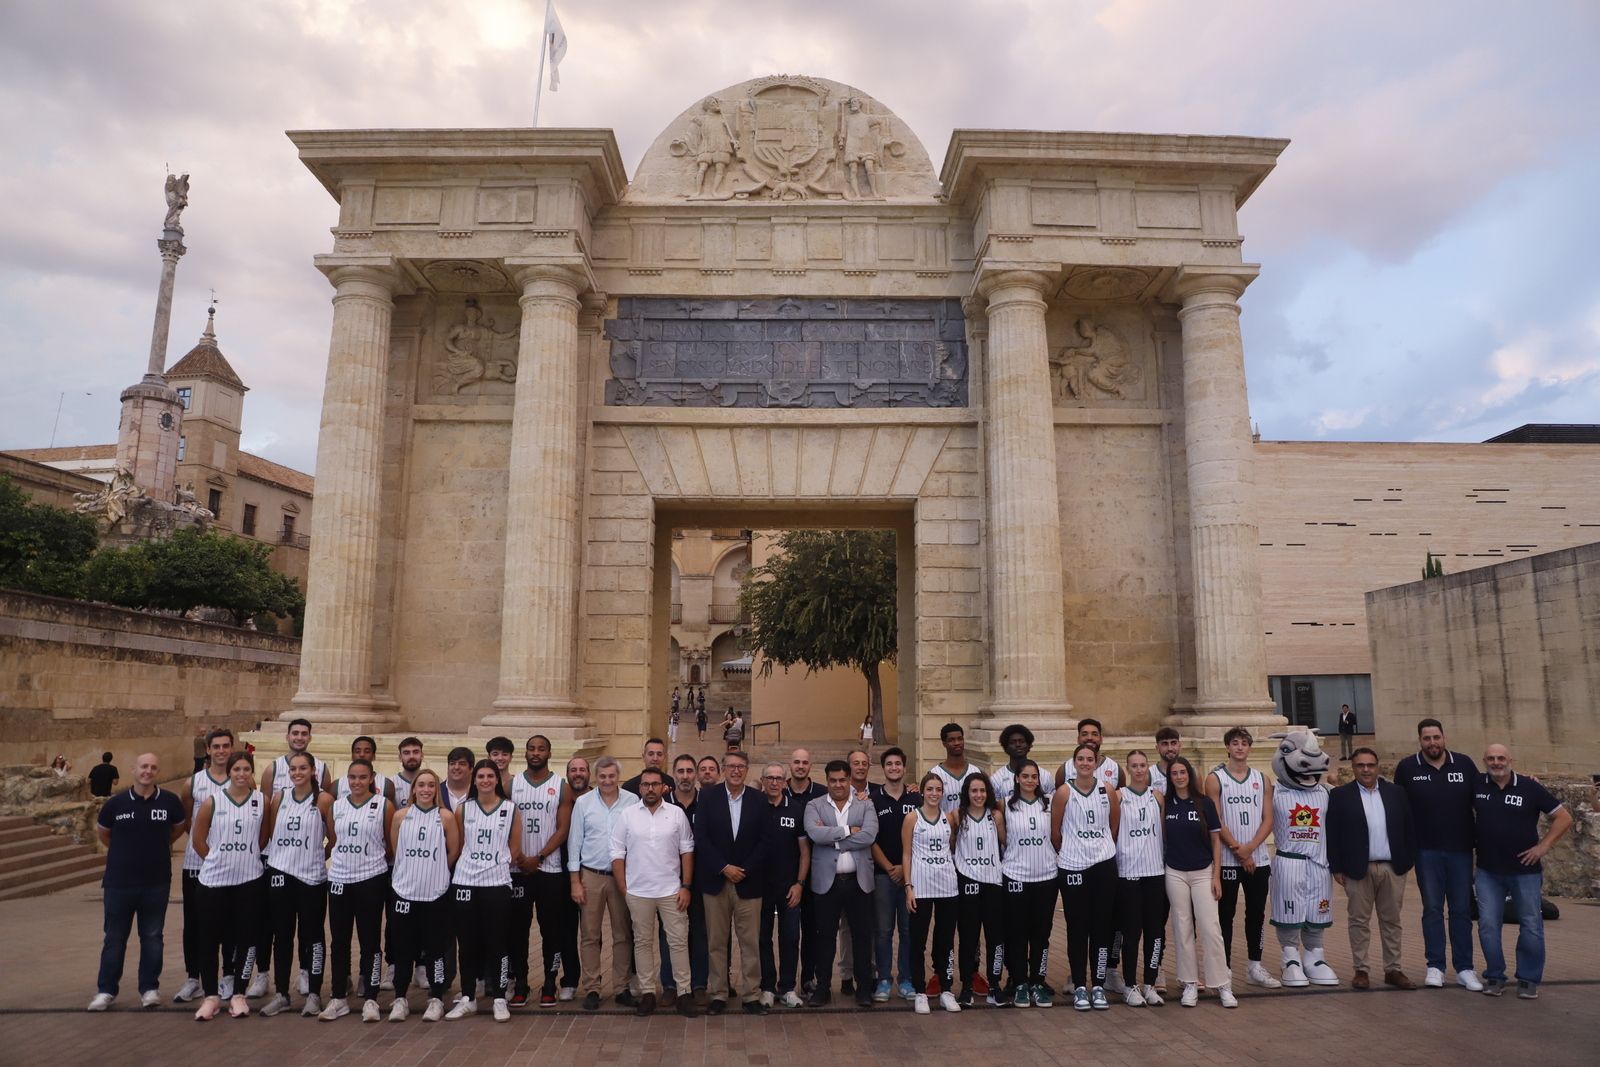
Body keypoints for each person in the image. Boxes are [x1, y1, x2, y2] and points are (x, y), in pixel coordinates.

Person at [1471, 744, 1573, 999]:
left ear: (1510, 760)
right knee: (1488, 926)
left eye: (1501, 758)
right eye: (1491, 758)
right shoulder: (1476, 786)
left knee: (1531, 925)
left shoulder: (1530, 787)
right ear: (1484, 761)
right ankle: (1495, 976)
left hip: (1525, 871)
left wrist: (1543, 847)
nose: (1496, 762)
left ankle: (1528, 978)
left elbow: (1564, 818)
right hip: (1488, 871)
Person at [87, 752, 186, 1012]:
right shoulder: (116, 804)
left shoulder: (169, 802)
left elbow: (176, 830)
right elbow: (105, 834)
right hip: (119, 883)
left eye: (153, 767)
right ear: (134, 769)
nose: (148, 771)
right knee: (114, 938)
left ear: (157, 771)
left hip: (156, 882)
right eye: (144, 766)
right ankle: (106, 990)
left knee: (152, 937)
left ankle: (149, 988)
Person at [1394, 718, 1482, 990]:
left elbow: (1484, 796)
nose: (1432, 743)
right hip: (1426, 852)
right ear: (1419, 741)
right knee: (1432, 909)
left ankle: (1465, 968)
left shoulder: (1465, 764)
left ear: (1444, 738)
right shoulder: (1408, 768)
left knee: (1461, 910)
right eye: (1427, 738)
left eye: (1436, 737)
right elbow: (1399, 811)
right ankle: (1435, 966)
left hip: (1460, 851)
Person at [1328, 747, 1418, 990]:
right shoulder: (1340, 796)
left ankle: (1394, 969)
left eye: (1370, 765)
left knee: (1392, 921)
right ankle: (1361, 970)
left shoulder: (1396, 793)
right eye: (1360, 765)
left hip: (1392, 867)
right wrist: (1336, 866)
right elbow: (1333, 833)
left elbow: (1410, 828)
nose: (1366, 770)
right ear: (1353, 768)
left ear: (1377, 767)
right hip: (1358, 868)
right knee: (1358, 921)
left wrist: (1407, 861)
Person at [188, 751, 267, 1021]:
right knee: (209, 939)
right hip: (214, 881)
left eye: (246, 769)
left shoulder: (261, 801)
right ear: (229, 772)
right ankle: (211, 995)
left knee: (246, 939)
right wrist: (216, 859)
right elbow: (198, 839)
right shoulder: (213, 802)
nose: (242, 774)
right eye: (237, 770)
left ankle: (238, 994)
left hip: (249, 879)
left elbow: (263, 837)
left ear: (252, 772)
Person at [613, 767, 697, 1017]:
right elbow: (617, 852)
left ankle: (684, 993)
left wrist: (686, 886)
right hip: (638, 891)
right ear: (640, 788)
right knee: (642, 942)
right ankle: (648, 993)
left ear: (663, 787)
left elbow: (687, 850)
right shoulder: (627, 815)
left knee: (679, 942)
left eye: (655, 784)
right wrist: (624, 888)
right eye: (646, 784)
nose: (650, 788)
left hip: (671, 890)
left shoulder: (676, 814)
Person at [447, 759, 522, 1022]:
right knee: (467, 943)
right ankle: (468, 997)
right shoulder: (463, 809)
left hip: (496, 883)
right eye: (481, 776)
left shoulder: (510, 808)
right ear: (474, 780)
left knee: (498, 942)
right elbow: (459, 845)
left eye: (490, 776)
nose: (486, 780)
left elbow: (515, 848)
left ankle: (500, 998)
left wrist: (498, 864)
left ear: (497, 780)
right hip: (466, 881)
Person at [695, 750, 769, 1015]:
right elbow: (700, 838)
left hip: (749, 883)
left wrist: (744, 869)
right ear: (723, 769)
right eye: (731, 766)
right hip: (716, 881)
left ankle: (751, 995)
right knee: (716, 941)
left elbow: (765, 840)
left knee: (750, 942)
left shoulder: (759, 800)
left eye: (741, 766)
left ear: (747, 770)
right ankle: (718, 994)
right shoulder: (707, 798)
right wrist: (724, 867)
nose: (736, 771)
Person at [1206, 726, 1280, 989]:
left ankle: (1254, 966)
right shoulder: (1215, 779)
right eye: (1235, 743)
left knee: (1256, 914)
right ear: (1227, 747)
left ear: (1250, 748)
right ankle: (1223, 969)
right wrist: (1239, 849)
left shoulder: (1262, 779)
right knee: (1225, 915)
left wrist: (1251, 849)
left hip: (1257, 858)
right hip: (1228, 858)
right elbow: (1216, 820)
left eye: (1244, 743)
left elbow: (1268, 819)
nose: (1239, 747)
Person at [259, 751, 332, 1018]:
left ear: (313, 770)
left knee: (312, 937)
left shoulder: (324, 800)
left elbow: (333, 838)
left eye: (303, 768)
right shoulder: (279, 798)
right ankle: (281, 994)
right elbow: (269, 833)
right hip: (280, 872)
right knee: (282, 936)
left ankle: (313, 993)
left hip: (311, 876)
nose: (297, 772)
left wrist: (317, 856)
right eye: (293, 769)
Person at [319, 759, 393, 1022]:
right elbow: (334, 840)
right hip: (339, 878)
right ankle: (338, 996)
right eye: (352, 777)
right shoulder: (336, 806)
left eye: (362, 777)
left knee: (370, 941)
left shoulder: (383, 805)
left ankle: (371, 997)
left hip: (370, 878)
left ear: (371, 777)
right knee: (339, 941)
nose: (357, 782)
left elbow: (389, 843)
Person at [385, 768, 459, 1021]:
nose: (426, 789)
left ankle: (436, 997)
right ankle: (400, 998)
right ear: (413, 789)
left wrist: (435, 871)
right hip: (404, 892)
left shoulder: (446, 817)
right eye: (421, 785)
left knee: (436, 950)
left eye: (430, 785)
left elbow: (453, 851)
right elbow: (396, 850)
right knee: (403, 948)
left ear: (436, 790)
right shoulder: (400, 816)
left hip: (436, 893)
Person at [1162, 757, 1236, 1008]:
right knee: (1182, 928)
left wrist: (1216, 875)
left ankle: (1222, 984)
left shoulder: (1204, 803)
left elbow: (1216, 841)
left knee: (1210, 927)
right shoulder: (1165, 803)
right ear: (1170, 777)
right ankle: (1190, 983)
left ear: (1190, 775)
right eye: (1175, 773)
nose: (1179, 777)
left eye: (1183, 772)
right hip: (1175, 871)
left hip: (1203, 871)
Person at [509, 734, 576, 1008]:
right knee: (517, 931)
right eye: (531, 748)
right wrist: (521, 857)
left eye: (541, 749)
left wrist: (540, 856)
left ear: (550, 753)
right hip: (518, 869)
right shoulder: (512, 784)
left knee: (552, 930)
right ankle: (521, 984)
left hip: (549, 869)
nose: (536, 753)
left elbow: (563, 828)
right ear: (525, 753)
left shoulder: (561, 786)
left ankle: (550, 981)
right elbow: (505, 823)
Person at [804, 759, 878, 1008]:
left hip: (858, 882)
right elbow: (814, 834)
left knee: (862, 936)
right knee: (824, 937)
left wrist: (833, 837)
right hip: (827, 883)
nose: (838, 784)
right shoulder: (814, 806)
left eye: (842, 780)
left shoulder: (865, 805)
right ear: (827, 781)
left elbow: (869, 836)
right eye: (833, 780)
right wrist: (848, 830)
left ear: (849, 780)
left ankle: (863, 989)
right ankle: (823, 988)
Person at [1053, 742, 1120, 1011]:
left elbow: (1114, 824)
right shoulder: (1063, 792)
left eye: (1089, 759)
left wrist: (1102, 848)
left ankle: (1099, 985)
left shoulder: (1108, 789)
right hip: (1073, 865)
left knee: (1101, 926)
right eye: (1080, 759)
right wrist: (1071, 850)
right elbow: (1055, 831)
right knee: (1078, 927)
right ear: (1074, 762)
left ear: (1096, 762)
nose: (1084, 763)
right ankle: (1080, 984)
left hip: (1103, 863)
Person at [568, 756, 638, 1011]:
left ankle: (621, 987)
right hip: (591, 875)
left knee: (623, 934)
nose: (607, 781)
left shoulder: (632, 801)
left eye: (611, 776)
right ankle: (592, 988)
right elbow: (574, 843)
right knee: (589, 935)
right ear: (595, 777)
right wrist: (575, 881)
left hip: (621, 877)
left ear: (618, 776)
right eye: (602, 776)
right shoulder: (584, 803)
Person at [175, 727, 234, 1004]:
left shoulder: (243, 782)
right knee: (194, 922)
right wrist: (205, 849)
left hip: (231, 867)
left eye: (226, 746)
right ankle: (193, 977)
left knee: (228, 923)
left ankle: (227, 975)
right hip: (197, 863)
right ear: (208, 750)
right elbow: (187, 820)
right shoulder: (194, 783)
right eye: (216, 747)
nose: (221, 751)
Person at [1000, 759, 1056, 1008]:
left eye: (1034, 776)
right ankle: (1020, 982)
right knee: (1017, 933)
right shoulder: (1004, 806)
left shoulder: (1050, 803)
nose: (1030, 780)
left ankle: (1038, 981)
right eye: (1025, 776)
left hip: (1046, 875)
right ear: (1016, 778)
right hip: (1016, 875)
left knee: (1041, 934)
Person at [903, 772, 960, 1014]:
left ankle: (946, 988)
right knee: (917, 940)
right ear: (922, 791)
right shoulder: (912, 818)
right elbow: (906, 854)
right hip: (921, 886)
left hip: (947, 885)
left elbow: (953, 847)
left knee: (946, 940)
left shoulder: (949, 818)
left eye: (938, 789)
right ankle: (920, 991)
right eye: (930, 789)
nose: (934, 793)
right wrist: (908, 887)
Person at [1115, 751, 1168, 1007]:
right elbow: (1113, 831)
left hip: (1155, 871)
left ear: (1148, 768)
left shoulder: (1157, 796)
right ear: (1127, 768)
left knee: (1155, 931)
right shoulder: (1119, 797)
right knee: (1131, 931)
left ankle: (1150, 982)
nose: (1138, 770)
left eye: (1142, 765)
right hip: (1128, 873)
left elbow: (1163, 833)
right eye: (1133, 766)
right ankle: (1129, 984)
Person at [869, 747, 920, 1002]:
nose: (893, 768)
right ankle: (883, 980)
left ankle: (907, 980)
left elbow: (920, 839)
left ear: (904, 767)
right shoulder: (873, 800)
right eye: (889, 764)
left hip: (911, 877)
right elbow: (871, 839)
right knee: (883, 931)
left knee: (909, 930)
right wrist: (890, 867)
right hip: (883, 875)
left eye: (898, 764)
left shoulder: (916, 799)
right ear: (883, 768)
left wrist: (904, 869)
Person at [759, 761, 810, 1008]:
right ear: (763, 781)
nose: (774, 782)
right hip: (758, 888)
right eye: (770, 778)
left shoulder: (796, 809)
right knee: (761, 938)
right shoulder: (754, 808)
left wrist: (800, 883)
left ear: (785, 781)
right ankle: (767, 987)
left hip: (789, 887)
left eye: (779, 778)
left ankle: (787, 987)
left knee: (790, 937)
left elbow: (804, 852)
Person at [952, 771, 1005, 1006]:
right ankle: (966, 986)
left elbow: (1006, 843)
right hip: (968, 881)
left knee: (995, 936)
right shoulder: (956, 816)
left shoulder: (996, 816)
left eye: (982, 790)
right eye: (974, 790)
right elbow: (949, 842)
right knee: (968, 938)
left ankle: (995, 985)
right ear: (967, 793)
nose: (979, 794)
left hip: (993, 881)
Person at [786, 747, 827, 995]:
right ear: (790, 765)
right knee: (788, 934)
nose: (800, 766)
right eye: (796, 762)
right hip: (785, 873)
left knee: (812, 930)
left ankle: (808, 978)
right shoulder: (778, 791)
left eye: (805, 762)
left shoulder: (822, 794)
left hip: (816, 875)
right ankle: (784, 981)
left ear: (810, 766)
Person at [260, 718, 331, 796]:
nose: (299, 738)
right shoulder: (273, 769)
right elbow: (265, 803)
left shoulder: (322, 768)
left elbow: (325, 800)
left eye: (304, 734)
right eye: (295, 733)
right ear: (287, 737)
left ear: (310, 738)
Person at [990, 723, 1056, 803]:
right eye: (1013, 742)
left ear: (1029, 745)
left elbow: (1053, 804)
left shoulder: (1045, 775)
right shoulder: (997, 779)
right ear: (1006, 747)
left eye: (1021, 741)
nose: (1018, 745)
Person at [1056, 718, 1122, 793]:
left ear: (1101, 739)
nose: (1089, 738)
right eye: (1084, 734)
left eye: (1094, 734)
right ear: (1078, 739)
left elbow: (1120, 800)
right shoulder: (1064, 770)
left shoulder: (1115, 768)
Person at [929, 723, 979, 815]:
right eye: (951, 740)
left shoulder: (975, 771)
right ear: (944, 743)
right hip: (945, 827)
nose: (957, 743)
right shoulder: (935, 774)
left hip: (973, 828)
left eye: (960, 739)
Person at [335, 736, 396, 805]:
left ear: (373, 756)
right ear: (352, 756)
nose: (362, 754)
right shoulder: (337, 785)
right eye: (357, 751)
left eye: (367, 751)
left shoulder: (386, 784)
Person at [393, 737, 425, 808]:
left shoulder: (434, 781)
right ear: (400, 757)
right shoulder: (392, 783)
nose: (411, 756)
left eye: (416, 752)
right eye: (406, 753)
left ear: (422, 755)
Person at [1151, 727, 1182, 794]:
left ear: (1179, 745)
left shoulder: (1191, 772)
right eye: (1165, 744)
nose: (1170, 748)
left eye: (1173, 743)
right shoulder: (1149, 774)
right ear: (1157, 748)